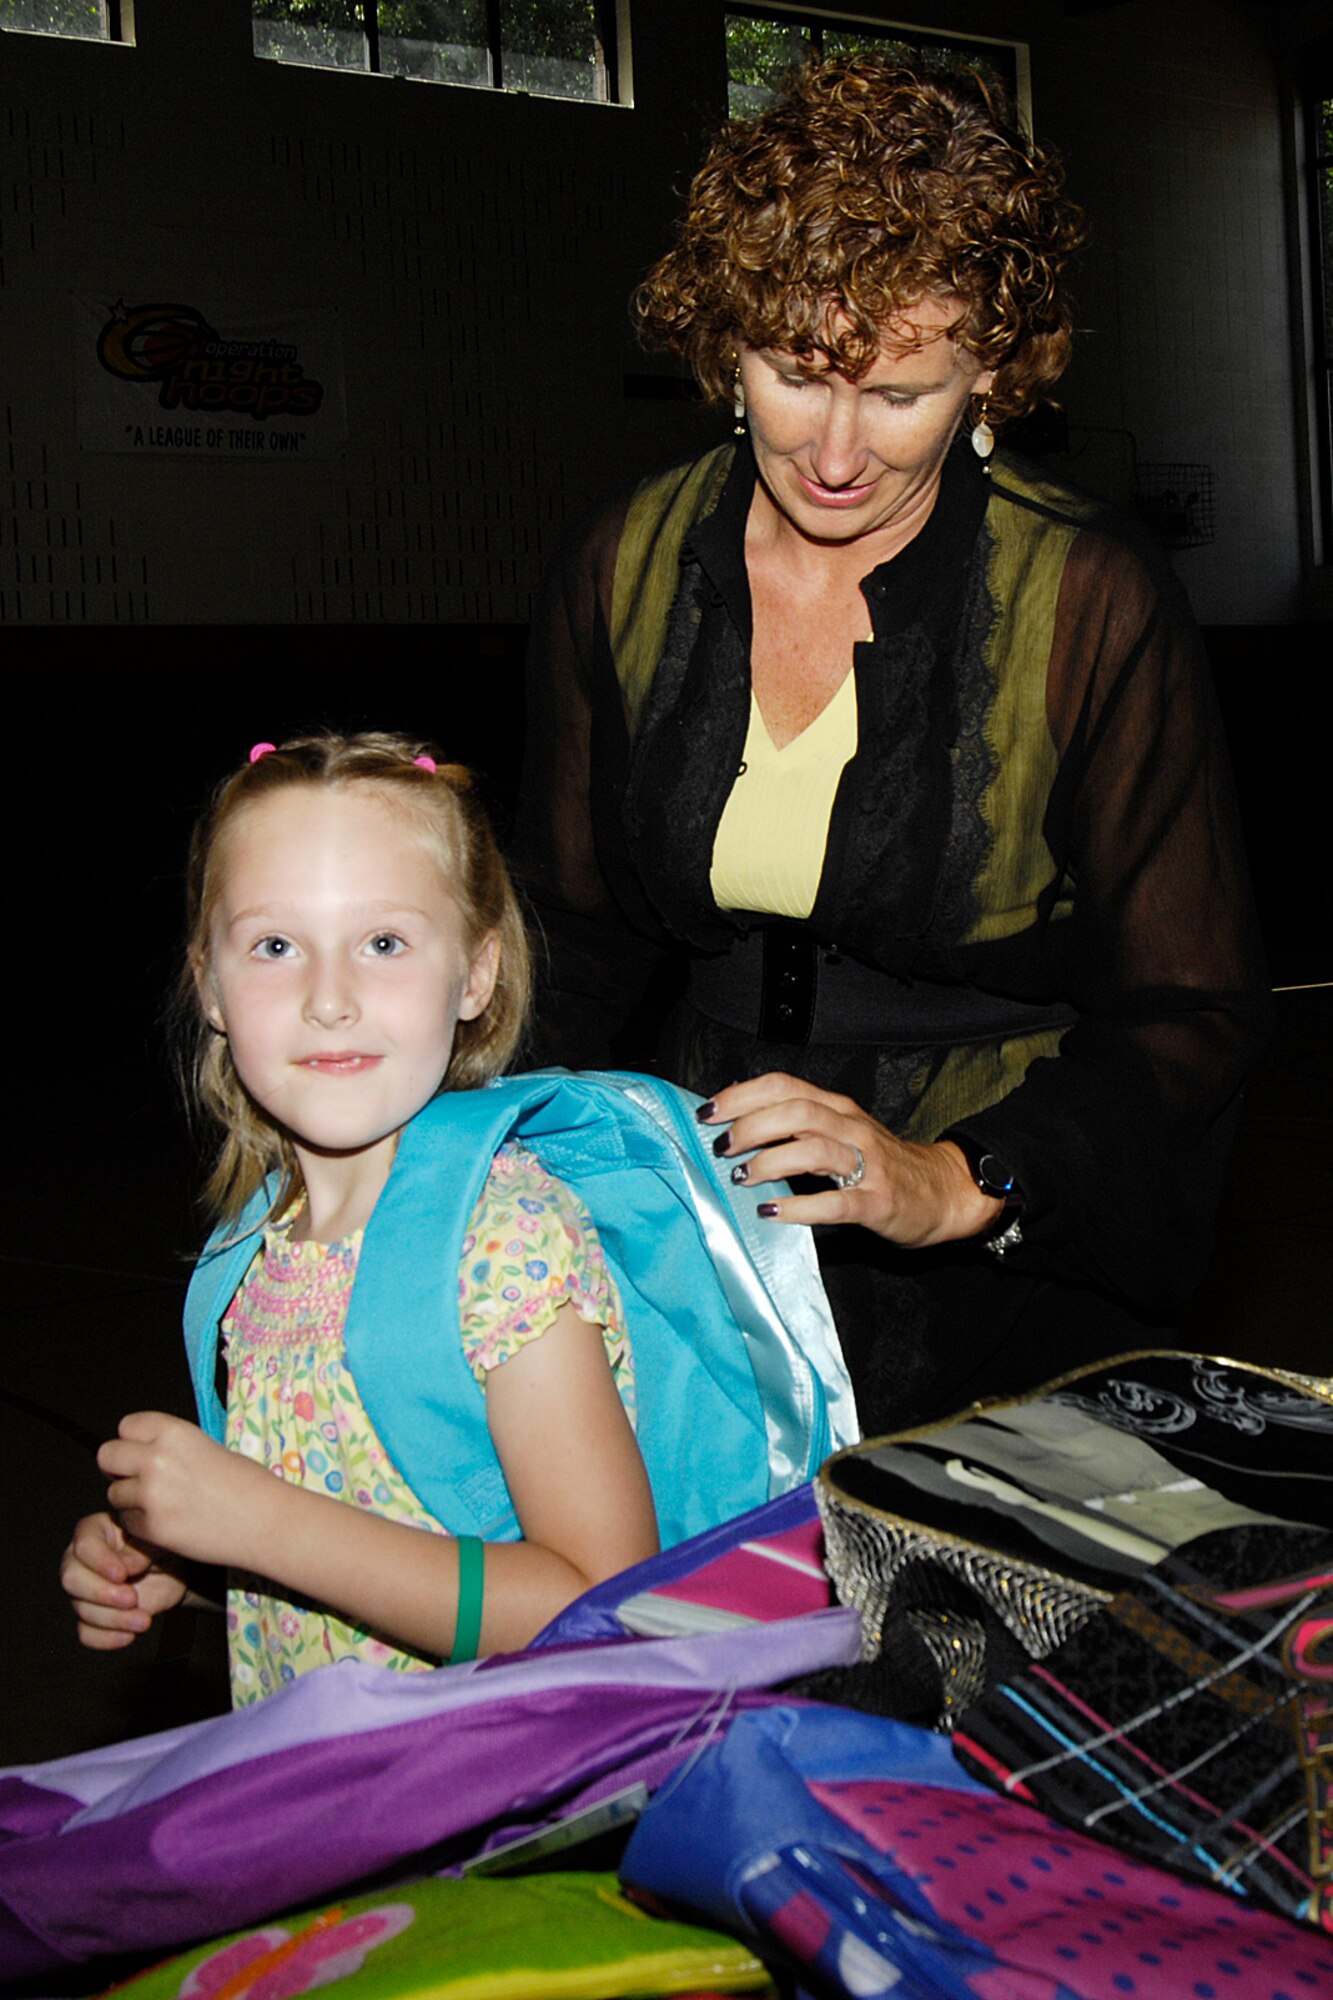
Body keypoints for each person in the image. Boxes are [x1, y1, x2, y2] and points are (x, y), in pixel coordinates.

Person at [516, 57, 1268, 1435]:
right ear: (721, 345)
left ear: (991, 368)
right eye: (796, 375)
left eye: (904, 392)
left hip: (1006, 1269)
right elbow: (568, 940)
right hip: (709, 1250)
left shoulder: (1087, 598)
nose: (839, 453)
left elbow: (1189, 1010)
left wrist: (953, 1177)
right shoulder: (625, 565)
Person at [60, 732, 851, 1704]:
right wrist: (192, 1557)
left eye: (383, 941)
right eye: (274, 945)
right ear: (210, 985)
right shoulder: (259, 1238)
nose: (329, 997)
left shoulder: (501, 1240)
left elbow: (597, 1606)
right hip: (325, 1798)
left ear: (474, 974)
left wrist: (261, 1523)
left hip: (480, 1815)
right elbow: (363, 1521)